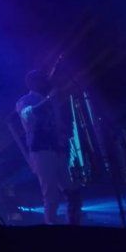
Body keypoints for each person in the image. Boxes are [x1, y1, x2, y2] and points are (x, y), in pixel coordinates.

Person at [16, 69, 81, 225]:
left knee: (72, 192)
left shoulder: (50, 100)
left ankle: (73, 225)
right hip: (40, 151)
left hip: (56, 149)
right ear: (31, 83)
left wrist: (63, 137)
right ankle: (51, 226)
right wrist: (49, 100)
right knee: (51, 194)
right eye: (40, 79)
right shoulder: (24, 100)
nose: (44, 82)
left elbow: (57, 125)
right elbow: (28, 115)